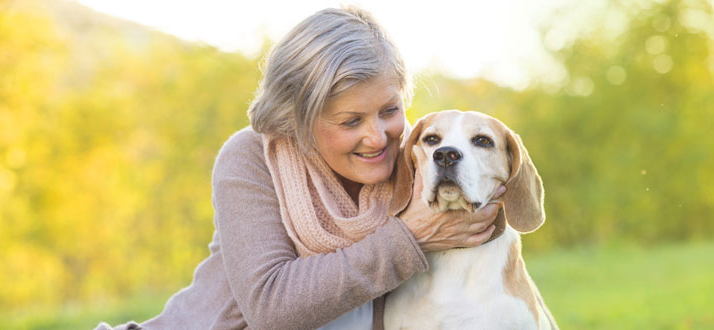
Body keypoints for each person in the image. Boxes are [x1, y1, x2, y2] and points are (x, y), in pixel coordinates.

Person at [96, 6, 503, 330]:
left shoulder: (423, 156)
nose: (378, 137)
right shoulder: (252, 158)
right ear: (300, 122)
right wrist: (408, 237)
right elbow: (272, 310)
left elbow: (493, 236)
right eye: (350, 122)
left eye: (390, 110)